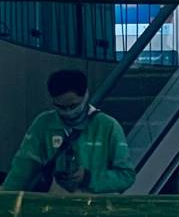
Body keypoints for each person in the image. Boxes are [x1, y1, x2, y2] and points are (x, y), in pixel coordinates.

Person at [3, 70, 135, 195]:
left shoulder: (107, 126)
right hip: (55, 203)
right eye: (61, 107)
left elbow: (126, 176)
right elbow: (22, 169)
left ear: (85, 95)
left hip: (96, 205)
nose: (68, 112)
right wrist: (6, 198)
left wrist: (88, 178)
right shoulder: (43, 124)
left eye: (73, 106)